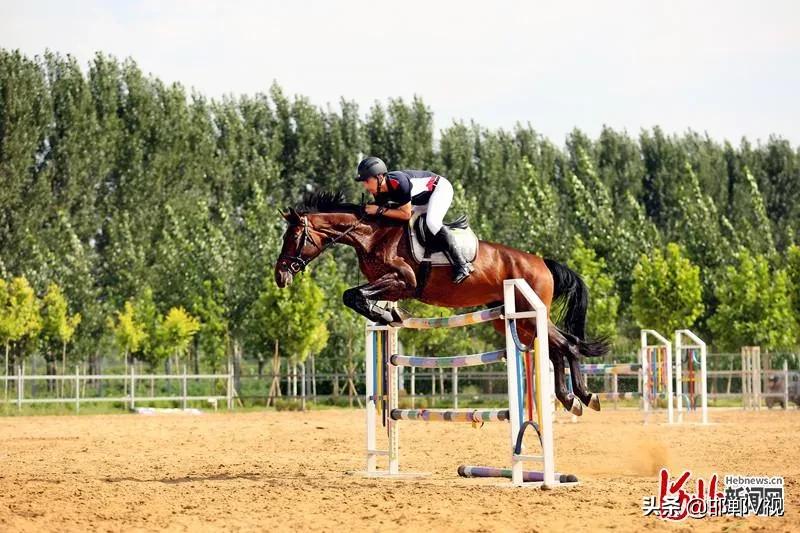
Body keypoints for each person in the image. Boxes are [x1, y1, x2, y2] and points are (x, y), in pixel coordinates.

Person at [354, 156, 472, 283]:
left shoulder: (399, 182)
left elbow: (405, 214)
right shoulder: (377, 190)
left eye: (366, 181)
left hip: (439, 189)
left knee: (432, 222)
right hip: (421, 200)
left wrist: (378, 210)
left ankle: (462, 264)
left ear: (379, 177)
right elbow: (387, 214)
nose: (365, 186)